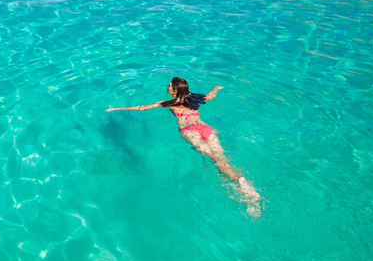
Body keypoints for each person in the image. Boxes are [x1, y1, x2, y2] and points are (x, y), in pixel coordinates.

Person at [106, 77, 262, 214]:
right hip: (206, 128)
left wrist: (117, 108)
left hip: (190, 131)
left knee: (212, 158)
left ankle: (237, 189)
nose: (166, 86)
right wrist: (216, 88)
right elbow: (210, 96)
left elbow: (142, 107)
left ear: (174, 91)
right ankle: (241, 181)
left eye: (169, 85)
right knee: (221, 159)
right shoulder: (193, 98)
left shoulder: (167, 103)